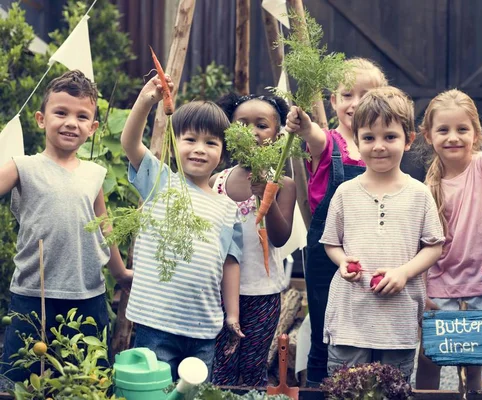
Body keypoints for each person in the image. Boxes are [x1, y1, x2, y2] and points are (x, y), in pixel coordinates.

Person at [0, 70, 132, 383]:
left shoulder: (94, 174)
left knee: (87, 380)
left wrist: (120, 273)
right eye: (61, 112)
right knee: (21, 379)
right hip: (33, 294)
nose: (71, 122)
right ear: (41, 119)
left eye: (82, 116)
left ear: (92, 128)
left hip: (87, 295)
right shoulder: (23, 167)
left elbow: (105, 228)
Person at [122, 75, 244, 380]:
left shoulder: (228, 208)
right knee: (153, 390)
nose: (199, 149)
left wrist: (232, 316)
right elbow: (129, 141)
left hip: (203, 327)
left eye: (211, 143)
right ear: (174, 142)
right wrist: (147, 100)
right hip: (156, 322)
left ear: (223, 152)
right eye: (190, 139)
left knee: (195, 392)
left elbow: (231, 263)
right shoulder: (160, 181)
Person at [319, 86, 445, 379]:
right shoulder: (345, 193)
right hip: (350, 316)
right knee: (346, 387)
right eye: (369, 138)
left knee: (393, 386)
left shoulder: (419, 194)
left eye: (390, 137)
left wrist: (404, 273)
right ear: (356, 140)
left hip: (397, 319)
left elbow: (433, 246)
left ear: (409, 140)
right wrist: (343, 262)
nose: (379, 146)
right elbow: (331, 243)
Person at [285, 58, 392, 385]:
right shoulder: (330, 143)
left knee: (370, 332)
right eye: (347, 94)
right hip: (326, 255)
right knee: (324, 333)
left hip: (373, 252)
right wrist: (303, 124)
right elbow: (314, 136)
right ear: (333, 102)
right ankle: (318, 388)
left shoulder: (383, 147)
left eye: (366, 94)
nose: (355, 102)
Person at [414, 89, 482, 391]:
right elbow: (423, 244)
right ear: (428, 135)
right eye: (443, 130)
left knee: (474, 359)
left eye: (462, 129)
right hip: (441, 286)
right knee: (430, 357)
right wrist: (424, 292)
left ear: (475, 134)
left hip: (481, 284)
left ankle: (471, 396)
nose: (453, 137)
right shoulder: (427, 186)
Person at [210, 93, 296, 386]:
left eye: (262, 125)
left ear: (277, 134)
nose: (252, 133)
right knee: (219, 367)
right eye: (242, 125)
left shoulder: (283, 184)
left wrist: (265, 196)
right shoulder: (215, 182)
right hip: (217, 293)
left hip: (262, 293)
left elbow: (280, 238)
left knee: (252, 368)